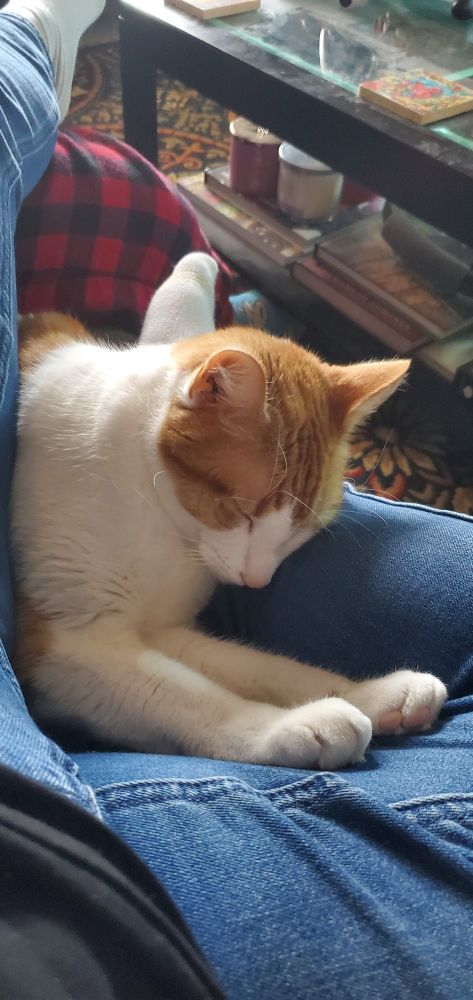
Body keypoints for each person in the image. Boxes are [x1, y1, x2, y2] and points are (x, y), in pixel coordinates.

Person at [0, 3, 472, 997]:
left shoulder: (220, 475)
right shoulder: (96, 451)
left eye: (290, 535)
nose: (254, 570)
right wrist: (238, 735)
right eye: (241, 520)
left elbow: (155, 639)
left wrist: (331, 699)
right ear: (202, 397)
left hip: (168, 412)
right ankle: (28, 45)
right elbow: (69, 653)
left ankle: (30, 55)